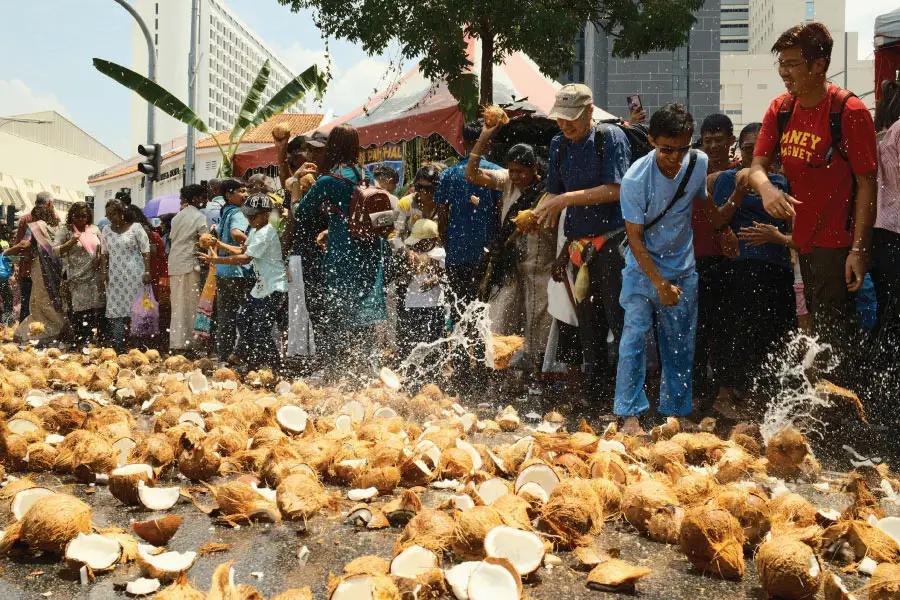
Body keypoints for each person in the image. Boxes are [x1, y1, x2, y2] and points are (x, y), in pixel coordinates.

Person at [750, 22, 877, 375]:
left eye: (792, 64)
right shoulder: (781, 109)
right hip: (802, 243)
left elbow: (868, 184)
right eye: (782, 63)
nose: (783, 72)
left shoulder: (849, 112)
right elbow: (756, 167)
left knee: (835, 342)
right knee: (818, 338)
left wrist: (859, 251)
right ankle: (832, 419)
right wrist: (767, 188)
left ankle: (846, 421)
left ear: (818, 65)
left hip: (838, 245)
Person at [615, 104, 739, 435]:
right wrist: (659, 284)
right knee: (635, 337)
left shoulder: (697, 164)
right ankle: (629, 414)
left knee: (680, 343)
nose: (674, 156)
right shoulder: (635, 179)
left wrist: (723, 231)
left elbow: (704, 203)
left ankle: (676, 412)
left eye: (682, 148)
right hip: (643, 272)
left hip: (683, 269)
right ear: (653, 141)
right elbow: (635, 240)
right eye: (666, 149)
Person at [534, 83, 632, 398]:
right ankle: (595, 394)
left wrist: (563, 201)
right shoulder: (558, 144)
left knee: (620, 321)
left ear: (590, 111)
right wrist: (539, 212)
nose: (565, 125)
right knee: (589, 325)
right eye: (560, 119)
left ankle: (629, 395)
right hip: (579, 247)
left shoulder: (609, 138)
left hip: (614, 242)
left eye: (571, 118)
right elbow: (554, 190)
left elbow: (616, 190)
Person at [711, 123, 795, 416]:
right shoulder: (726, 179)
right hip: (739, 266)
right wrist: (737, 192)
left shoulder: (783, 183)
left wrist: (777, 237)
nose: (756, 154)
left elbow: (796, 229)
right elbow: (717, 220)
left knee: (771, 333)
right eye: (749, 148)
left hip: (777, 265)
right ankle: (723, 396)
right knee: (735, 330)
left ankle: (756, 398)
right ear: (741, 150)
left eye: (763, 149)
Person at [296, 124, 386, 378]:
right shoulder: (366, 176)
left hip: (343, 254)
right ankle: (370, 374)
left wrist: (294, 188)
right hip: (369, 252)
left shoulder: (329, 180)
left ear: (332, 146)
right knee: (365, 316)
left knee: (338, 315)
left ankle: (338, 375)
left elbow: (301, 213)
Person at [465, 124, 554, 376]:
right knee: (502, 318)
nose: (516, 177)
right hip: (509, 264)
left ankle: (539, 376)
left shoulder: (548, 190)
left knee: (539, 322)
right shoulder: (506, 182)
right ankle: (499, 376)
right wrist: (483, 137)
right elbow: (472, 175)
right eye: (512, 171)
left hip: (541, 264)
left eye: (521, 172)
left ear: (534, 169)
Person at [434, 122, 502, 387]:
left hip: (458, 255)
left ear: (462, 143)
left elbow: (442, 216)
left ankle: (462, 370)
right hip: (487, 256)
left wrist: (449, 245)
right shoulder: (496, 173)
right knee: (486, 313)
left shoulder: (449, 174)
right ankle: (485, 370)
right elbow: (499, 213)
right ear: (489, 143)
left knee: (461, 312)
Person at [201, 193, 287, 373]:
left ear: (265, 215)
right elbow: (242, 249)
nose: (249, 219)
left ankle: (273, 368)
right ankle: (245, 357)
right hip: (260, 288)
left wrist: (217, 261)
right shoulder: (256, 231)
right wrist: (219, 244)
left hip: (274, 287)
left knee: (260, 329)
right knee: (243, 318)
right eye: (247, 215)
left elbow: (245, 258)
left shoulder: (266, 232)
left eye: (253, 216)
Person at [693, 113, 738, 407]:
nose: (713, 146)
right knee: (696, 328)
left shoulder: (741, 172)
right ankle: (696, 393)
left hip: (729, 260)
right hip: (694, 258)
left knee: (726, 328)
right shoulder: (693, 171)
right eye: (707, 140)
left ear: (730, 141)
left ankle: (724, 391)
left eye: (719, 140)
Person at [4, 202, 69, 344]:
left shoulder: (37, 227)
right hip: (57, 271)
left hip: (42, 270)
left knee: (42, 302)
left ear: (37, 216)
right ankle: (59, 328)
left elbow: (24, 244)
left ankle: (50, 330)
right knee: (53, 300)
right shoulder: (58, 228)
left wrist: (6, 252)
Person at [100, 201, 151, 353]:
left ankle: (138, 346)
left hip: (135, 275)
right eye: (108, 215)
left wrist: (147, 271)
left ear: (121, 213)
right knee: (116, 311)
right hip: (115, 277)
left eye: (113, 214)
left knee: (137, 310)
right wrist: (103, 272)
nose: (110, 218)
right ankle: (120, 346)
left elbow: (146, 251)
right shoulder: (106, 230)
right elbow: (104, 254)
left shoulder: (136, 228)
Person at [395, 219, 447, 359]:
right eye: (416, 242)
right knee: (411, 344)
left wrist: (435, 280)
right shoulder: (411, 255)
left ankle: (432, 374)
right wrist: (406, 270)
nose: (417, 245)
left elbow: (447, 277)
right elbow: (399, 277)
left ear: (432, 240)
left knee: (433, 345)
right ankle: (411, 373)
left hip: (434, 307)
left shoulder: (441, 254)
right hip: (412, 305)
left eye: (421, 241)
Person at [54, 202, 104, 348]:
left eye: (84, 216)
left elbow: (103, 248)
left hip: (95, 277)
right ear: (71, 216)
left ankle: (94, 342)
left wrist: (100, 259)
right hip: (77, 278)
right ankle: (80, 342)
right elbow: (55, 251)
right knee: (81, 311)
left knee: (97, 309)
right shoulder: (66, 230)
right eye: (78, 216)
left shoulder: (94, 230)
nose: (82, 219)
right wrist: (71, 242)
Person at [214, 179, 252, 361]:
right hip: (238, 271)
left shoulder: (226, 212)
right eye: (241, 191)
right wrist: (255, 243)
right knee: (246, 314)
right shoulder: (238, 212)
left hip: (222, 271)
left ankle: (223, 356)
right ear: (229, 195)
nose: (245, 194)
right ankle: (240, 354)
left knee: (226, 317)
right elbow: (237, 234)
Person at [167, 184, 209, 354]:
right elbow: (205, 241)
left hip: (175, 264)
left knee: (177, 304)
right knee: (192, 305)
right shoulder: (200, 217)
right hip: (190, 264)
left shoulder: (176, 218)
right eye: (202, 197)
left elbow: (172, 240)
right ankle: (191, 343)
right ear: (195, 199)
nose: (204, 200)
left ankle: (177, 342)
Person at [126, 206, 169, 350]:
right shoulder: (152, 234)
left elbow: (154, 253)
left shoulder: (139, 233)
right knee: (152, 309)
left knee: (140, 309)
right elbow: (161, 256)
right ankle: (155, 342)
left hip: (144, 276)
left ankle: (138, 341)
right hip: (154, 275)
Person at [14, 191, 60, 322]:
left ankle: (24, 335)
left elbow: (19, 246)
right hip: (49, 271)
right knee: (48, 304)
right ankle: (45, 332)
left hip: (28, 269)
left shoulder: (25, 219)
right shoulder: (55, 219)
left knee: (27, 304)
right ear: (50, 203)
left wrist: (17, 266)